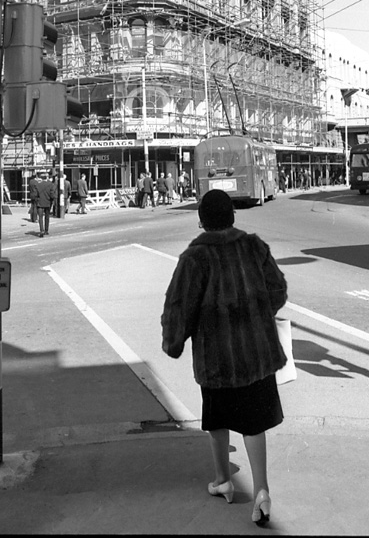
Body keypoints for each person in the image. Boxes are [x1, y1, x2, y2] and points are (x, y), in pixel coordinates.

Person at [161, 189, 288, 525]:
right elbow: (278, 289)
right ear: (232, 216)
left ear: (202, 220)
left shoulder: (195, 257)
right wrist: (256, 314)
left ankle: (222, 480)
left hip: (216, 356)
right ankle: (261, 491)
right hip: (256, 353)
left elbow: (179, 307)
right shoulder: (254, 246)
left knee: (217, 418)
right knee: (254, 421)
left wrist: (173, 341)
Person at [34, 170, 56, 237]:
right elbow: (52, 195)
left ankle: (41, 230)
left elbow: (36, 195)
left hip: (40, 203)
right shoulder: (50, 185)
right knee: (47, 217)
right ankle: (46, 230)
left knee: (40, 217)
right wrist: (52, 200)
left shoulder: (37, 185)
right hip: (48, 202)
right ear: (47, 178)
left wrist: (37, 200)